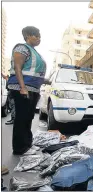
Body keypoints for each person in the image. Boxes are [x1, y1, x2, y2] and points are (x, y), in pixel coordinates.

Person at [7, 26, 47, 155]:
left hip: (33, 89)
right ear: (28, 36)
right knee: (22, 118)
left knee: (28, 117)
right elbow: (18, 68)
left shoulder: (34, 52)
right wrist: (23, 88)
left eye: (40, 36)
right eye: (36, 35)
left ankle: (27, 145)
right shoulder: (21, 48)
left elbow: (35, 73)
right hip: (22, 88)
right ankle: (19, 148)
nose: (39, 38)